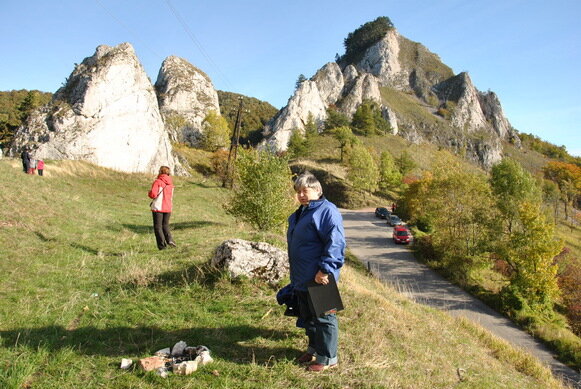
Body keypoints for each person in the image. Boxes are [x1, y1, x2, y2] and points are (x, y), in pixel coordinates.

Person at [286, 171, 346, 372]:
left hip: (321, 277)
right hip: (302, 276)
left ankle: (329, 358)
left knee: (325, 317)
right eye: (298, 191)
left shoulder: (328, 211)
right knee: (309, 316)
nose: (302, 194)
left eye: (306, 190)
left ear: (317, 190)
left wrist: (325, 270)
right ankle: (314, 348)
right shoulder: (301, 212)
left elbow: (335, 243)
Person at [148, 166, 176, 250]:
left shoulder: (157, 182)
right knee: (165, 225)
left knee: (158, 227)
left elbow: (153, 194)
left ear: (160, 172)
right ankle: (170, 240)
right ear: (168, 173)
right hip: (168, 207)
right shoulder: (171, 184)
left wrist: (149, 193)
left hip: (158, 207)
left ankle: (162, 246)